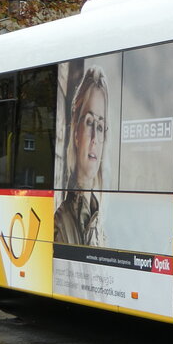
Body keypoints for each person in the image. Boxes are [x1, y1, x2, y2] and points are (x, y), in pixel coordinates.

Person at [54, 66, 109, 246]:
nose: (94, 138)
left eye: (100, 127)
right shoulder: (60, 222)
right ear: (76, 132)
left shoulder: (98, 222)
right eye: (89, 122)